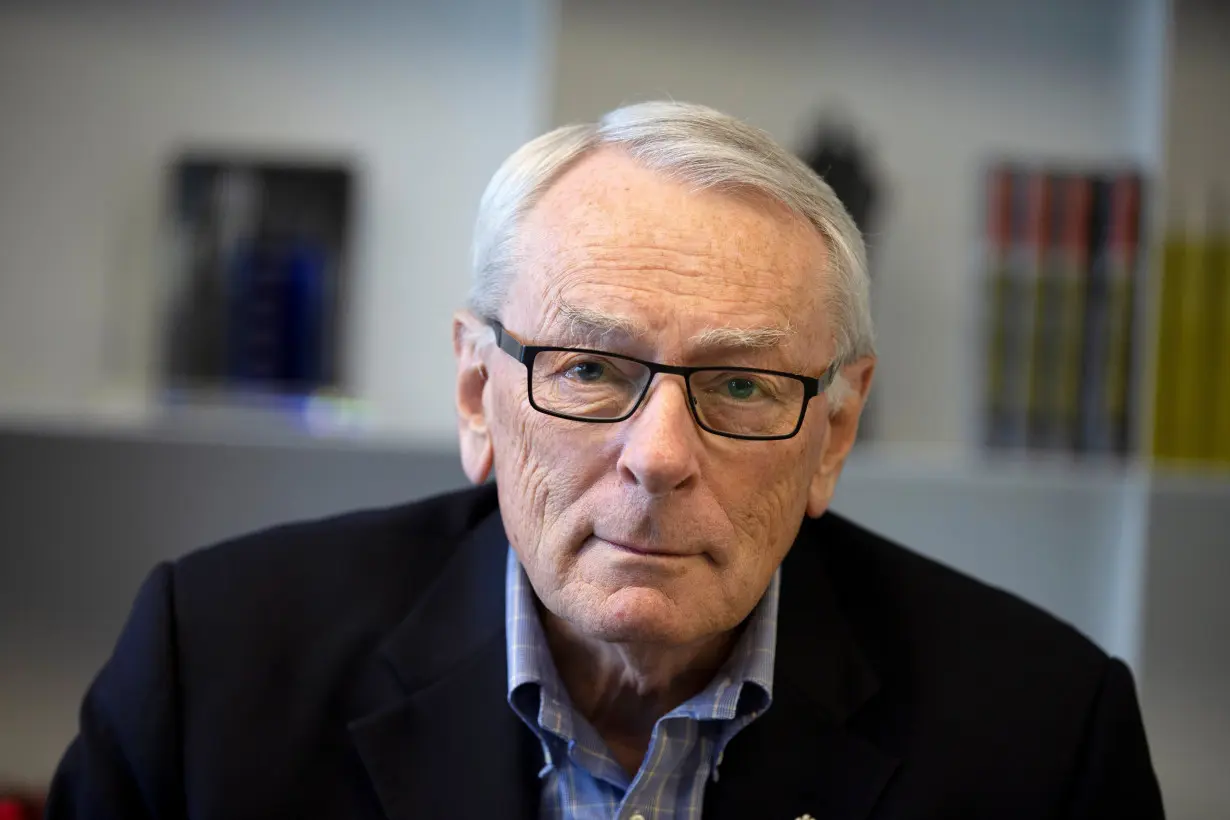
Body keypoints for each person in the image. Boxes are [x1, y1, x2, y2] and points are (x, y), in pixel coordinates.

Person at [46, 102, 1165, 820]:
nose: (661, 456)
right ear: (480, 395)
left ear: (833, 434)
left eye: (741, 384)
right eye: (588, 369)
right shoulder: (215, 670)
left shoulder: (1044, 739)